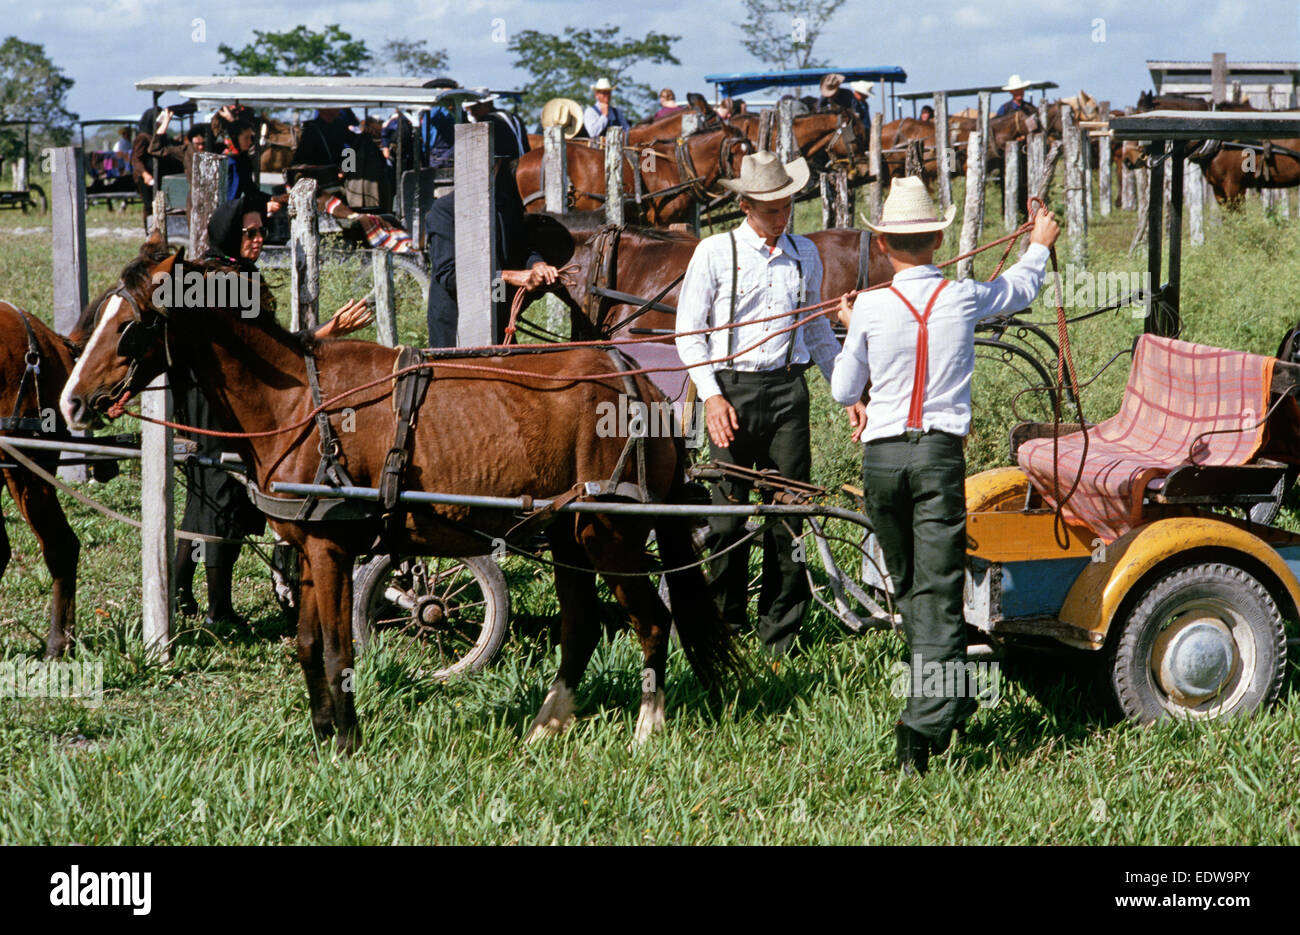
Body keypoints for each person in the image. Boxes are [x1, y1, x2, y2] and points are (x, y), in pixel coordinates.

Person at [830, 177, 1060, 775]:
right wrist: (1038, 242)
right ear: (938, 238)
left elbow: (839, 390)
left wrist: (855, 323)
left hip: (881, 463)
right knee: (932, 590)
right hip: (937, 459)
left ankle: (933, 706)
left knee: (910, 586)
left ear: (882, 244)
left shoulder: (872, 307)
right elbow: (1020, 287)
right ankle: (932, 714)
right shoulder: (962, 297)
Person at [675, 151, 861, 656]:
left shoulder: (805, 253)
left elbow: (818, 330)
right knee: (727, 519)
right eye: (770, 209)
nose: (781, 218)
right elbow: (689, 335)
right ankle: (725, 626)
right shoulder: (714, 253)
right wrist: (712, 398)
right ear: (745, 206)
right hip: (730, 392)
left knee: (790, 515)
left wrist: (847, 391)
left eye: (787, 207)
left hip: (786, 393)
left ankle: (780, 634)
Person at [172, 192, 373, 625]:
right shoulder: (228, 281)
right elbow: (270, 353)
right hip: (218, 402)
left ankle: (179, 593)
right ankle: (219, 612)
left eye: (263, 231)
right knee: (221, 495)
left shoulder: (220, 274)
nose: (259, 238)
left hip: (206, 397)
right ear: (230, 234)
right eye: (250, 232)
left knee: (203, 495)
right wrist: (328, 331)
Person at [424, 119, 559, 347]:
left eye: (492, 165)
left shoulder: (505, 205)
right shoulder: (444, 211)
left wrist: (537, 265)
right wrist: (508, 276)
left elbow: (522, 248)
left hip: (498, 317)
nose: (487, 171)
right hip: (456, 328)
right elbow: (449, 276)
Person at [465, 92, 529, 158]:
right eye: (470, 109)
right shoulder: (512, 116)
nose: (472, 113)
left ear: (488, 104)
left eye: (475, 108)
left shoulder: (488, 119)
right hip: (524, 158)